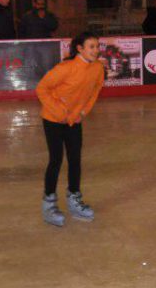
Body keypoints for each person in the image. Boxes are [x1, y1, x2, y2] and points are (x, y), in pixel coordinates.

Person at [35, 32, 105, 227]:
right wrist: (60, 112)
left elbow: (96, 89)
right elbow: (41, 89)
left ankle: (74, 200)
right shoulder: (65, 68)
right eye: (91, 46)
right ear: (80, 49)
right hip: (53, 119)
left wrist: (84, 111)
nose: (96, 50)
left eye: (97, 46)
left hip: (74, 120)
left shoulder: (98, 68)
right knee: (56, 160)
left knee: (75, 160)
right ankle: (49, 205)